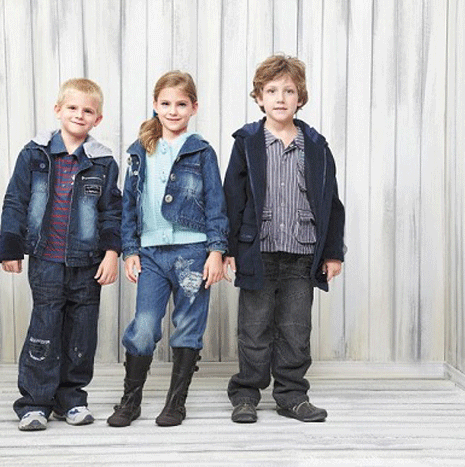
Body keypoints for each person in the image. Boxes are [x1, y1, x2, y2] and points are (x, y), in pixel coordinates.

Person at [224, 54, 345, 423]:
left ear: (300, 98)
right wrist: (228, 250)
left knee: (295, 329)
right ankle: (246, 394)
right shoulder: (247, 142)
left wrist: (332, 252)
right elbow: (233, 198)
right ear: (259, 97)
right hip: (257, 252)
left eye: (289, 91)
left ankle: (292, 395)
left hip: (301, 253)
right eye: (272, 90)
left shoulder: (316, 145)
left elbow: (331, 201)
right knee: (254, 328)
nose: (280, 98)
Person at [0, 78, 122, 431]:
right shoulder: (34, 154)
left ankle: (71, 398)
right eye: (72, 108)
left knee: (82, 333)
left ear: (98, 118)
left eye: (88, 110)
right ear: (58, 110)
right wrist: (11, 246)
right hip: (46, 260)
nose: (79, 115)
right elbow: (15, 201)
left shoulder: (103, 162)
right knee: (45, 328)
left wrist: (112, 252)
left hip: (87, 262)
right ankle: (35, 402)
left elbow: (112, 211)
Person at [107, 71, 229, 428]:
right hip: (151, 254)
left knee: (188, 325)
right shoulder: (139, 151)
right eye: (165, 104)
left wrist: (216, 250)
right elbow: (129, 204)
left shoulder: (201, 151)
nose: (173, 111)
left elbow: (216, 202)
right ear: (155, 105)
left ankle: (176, 403)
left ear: (194, 107)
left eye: (181, 104)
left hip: (193, 252)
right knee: (144, 326)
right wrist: (130, 249)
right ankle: (131, 401)